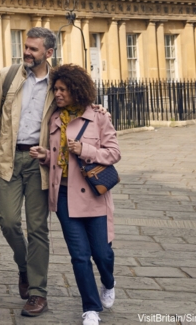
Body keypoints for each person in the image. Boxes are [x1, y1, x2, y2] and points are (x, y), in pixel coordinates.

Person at [30, 64, 121, 325]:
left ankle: (108, 281)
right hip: (64, 197)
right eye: (55, 89)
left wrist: (85, 150)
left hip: (93, 197)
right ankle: (90, 308)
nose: (57, 93)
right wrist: (45, 156)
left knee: (102, 254)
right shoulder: (54, 119)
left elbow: (114, 153)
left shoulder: (98, 117)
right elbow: (59, 160)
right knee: (79, 256)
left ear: (76, 90)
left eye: (63, 89)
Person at [0, 27, 57, 317]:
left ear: (48, 53)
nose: (26, 52)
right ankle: (25, 266)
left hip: (40, 164)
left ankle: (37, 292)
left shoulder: (58, 82)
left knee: (38, 228)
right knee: (8, 220)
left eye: (33, 49)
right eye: (26, 47)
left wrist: (101, 113)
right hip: (9, 159)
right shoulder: (8, 76)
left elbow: (80, 110)